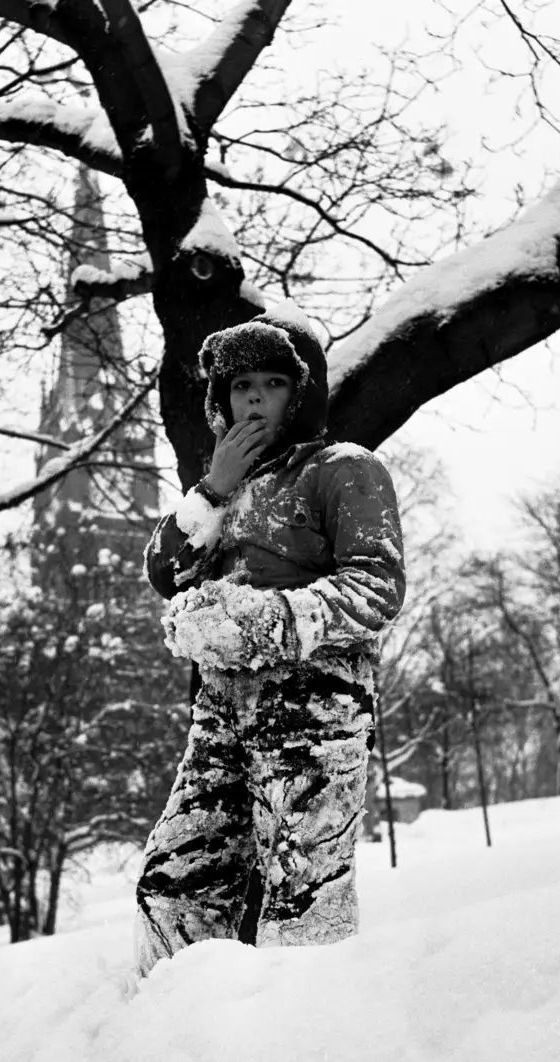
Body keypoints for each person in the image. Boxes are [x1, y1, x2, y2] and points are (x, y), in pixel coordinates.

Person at [134, 302, 406, 977]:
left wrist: (268, 622)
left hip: (316, 704)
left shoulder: (344, 468)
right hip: (222, 711)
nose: (255, 400)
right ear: (221, 400)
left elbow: (376, 586)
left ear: (302, 391)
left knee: (302, 904)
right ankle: (181, 1040)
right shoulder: (224, 492)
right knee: (176, 885)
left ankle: (308, 1055)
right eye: (240, 387)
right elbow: (164, 572)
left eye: (272, 384)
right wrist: (213, 487)